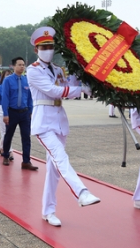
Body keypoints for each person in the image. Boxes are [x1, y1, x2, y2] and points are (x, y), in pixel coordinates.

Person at [27, 26, 100, 227]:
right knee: (61, 158)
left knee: (54, 169)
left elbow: (69, 82)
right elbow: (53, 91)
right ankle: (81, 192)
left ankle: (48, 211)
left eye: (51, 46)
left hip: (59, 122)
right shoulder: (33, 70)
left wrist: (79, 69)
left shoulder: (59, 69)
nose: (48, 49)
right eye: (44, 46)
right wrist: (79, 89)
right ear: (36, 49)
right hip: (43, 123)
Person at [1, 57, 37, 170]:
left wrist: (30, 110)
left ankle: (26, 161)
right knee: (9, 135)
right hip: (12, 112)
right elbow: (5, 98)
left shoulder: (27, 80)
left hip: (25, 113)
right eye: (19, 64)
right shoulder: (8, 80)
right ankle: (6, 155)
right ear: (13, 66)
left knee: (26, 137)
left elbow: (30, 97)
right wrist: (5, 113)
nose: (22, 67)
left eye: (23, 65)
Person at [0, 70, 13, 159]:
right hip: (1, 111)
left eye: (10, 74)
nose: (8, 76)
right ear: (3, 76)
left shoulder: (13, 87)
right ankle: (9, 151)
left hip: (11, 111)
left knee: (8, 132)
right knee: (5, 132)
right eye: (7, 74)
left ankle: (1, 147)